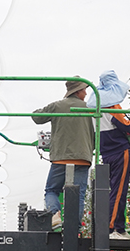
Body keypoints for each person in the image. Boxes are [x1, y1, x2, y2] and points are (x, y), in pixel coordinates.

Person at [87, 70, 130, 240]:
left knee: (114, 190)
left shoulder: (95, 106)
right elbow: (127, 126)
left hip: (106, 153)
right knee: (119, 192)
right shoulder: (112, 105)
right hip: (120, 151)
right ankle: (114, 229)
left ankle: (118, 228)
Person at [32, 78, 94, 230]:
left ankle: (55, 215)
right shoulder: (91, 108)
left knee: (52, 190)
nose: (86, 93)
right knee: (78, 195)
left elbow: (36, 117)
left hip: (61, 157)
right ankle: (75, 227)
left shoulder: (57, 106)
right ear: (78, 91)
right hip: (83, 157)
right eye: (84, 90)